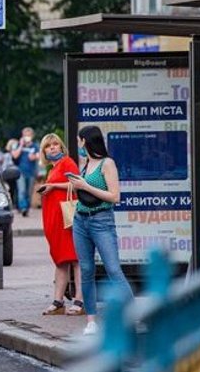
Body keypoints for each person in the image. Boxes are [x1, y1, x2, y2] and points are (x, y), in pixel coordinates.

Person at [67, 126, 133, 336]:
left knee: (113, 269)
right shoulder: (85, 164)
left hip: (102, 221)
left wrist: (85, 186)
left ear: (85, 141)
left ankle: (134, 315)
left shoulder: (107, 163)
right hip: (80, 220)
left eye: (79, 141)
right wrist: (76, 185)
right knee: (86, 270)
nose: (78, 145)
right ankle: (91, 320)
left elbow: (114, 197)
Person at [38, 134, 84, 316]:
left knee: (75, 259)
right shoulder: (53, 168)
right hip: (56, 222)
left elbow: (77, 184)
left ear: (62, 147)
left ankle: (79, 300)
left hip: (68, 221)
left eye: (56, 144)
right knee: (61, 260)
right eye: (48, 146)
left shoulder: (67, 163)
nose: (53, 148)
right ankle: (58, 301)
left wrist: (54, 187)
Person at [11, 127, 40, 217]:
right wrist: (21, 145)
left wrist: (34, 157)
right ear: (22, 136)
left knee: (29, 192)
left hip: (31, 172)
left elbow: (39, 156)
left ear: (32, 136)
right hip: (20, 172)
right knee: (22, 190)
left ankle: (26, 208)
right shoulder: (18, 145)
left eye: (29, 135)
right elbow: (15, 156)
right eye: (25, 135)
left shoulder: (35, 146)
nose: (27, 137)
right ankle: (23, 208)